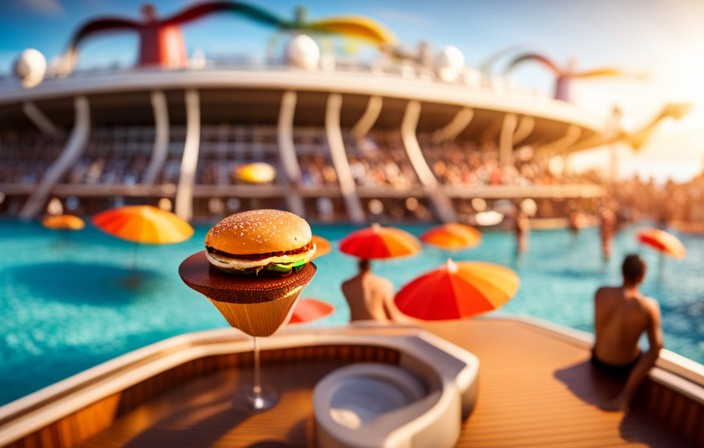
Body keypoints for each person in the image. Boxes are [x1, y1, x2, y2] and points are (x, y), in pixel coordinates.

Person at [593, 255, 663, 411]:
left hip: (597, 360)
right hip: (623, 369)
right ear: (642, 276)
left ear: (622, 272)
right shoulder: (649, 306)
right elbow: (657, 347)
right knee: (651, 351)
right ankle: (624, 398)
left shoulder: (601, 293)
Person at [341, 259, 417, 323]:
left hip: (356, 327)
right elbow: (391, 315)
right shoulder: (384, 284)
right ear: (372, 264)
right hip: (378, 327)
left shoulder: (345, 285)